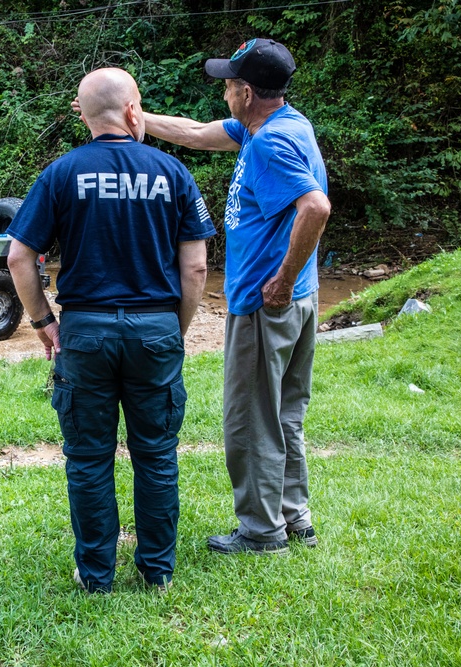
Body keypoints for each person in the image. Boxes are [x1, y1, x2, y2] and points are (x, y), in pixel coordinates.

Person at [8, 67, 214, 593]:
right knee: (156, 455)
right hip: (155, 330)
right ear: (132, 110)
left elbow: (19, 258)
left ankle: (97, 575)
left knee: (89, 459)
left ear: (85, 114)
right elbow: (195, 268)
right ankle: (157, 572)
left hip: (86, 332)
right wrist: (175, 327)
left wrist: (43, 323)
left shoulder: (60, 174)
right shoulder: (173, 173)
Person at [142, 38, 331, 555]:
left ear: (246, 92)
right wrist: (142, 117)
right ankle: (295, 517)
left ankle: (261, 531)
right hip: (298, 302)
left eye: (228, 86)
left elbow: (315, 207)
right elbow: (198, 134)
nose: (224, 94)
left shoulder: (269, 144)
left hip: (266, 304)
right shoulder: (281, 125)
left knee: (249, 419)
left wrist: (284, 278)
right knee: (283, 414)